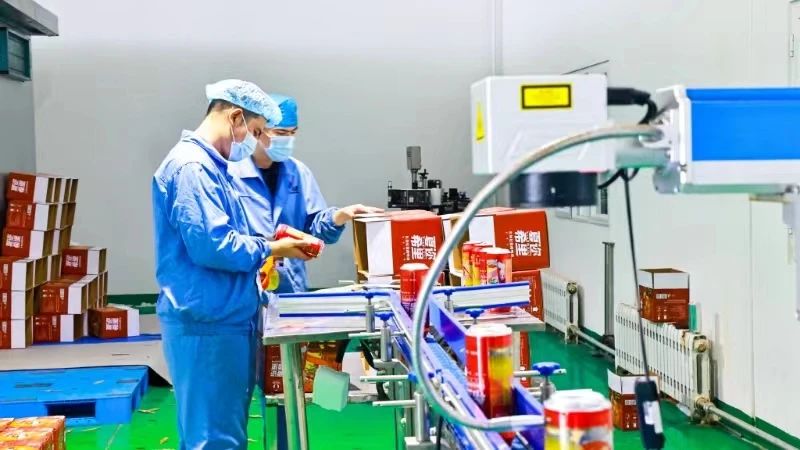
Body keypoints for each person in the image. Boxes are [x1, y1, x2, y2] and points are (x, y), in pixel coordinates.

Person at [151, 80, 314, 449]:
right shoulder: (192, 168)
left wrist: (269, 244)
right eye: (255, 132)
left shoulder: (213, 167)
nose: (254, 143)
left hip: (225, 319)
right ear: (236, 117)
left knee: (224, 433)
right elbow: (214, 246)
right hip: (207, 323)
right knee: (213, 439)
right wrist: (272, 248)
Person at [229, 94, 382, 293]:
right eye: (280, 132)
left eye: (292, 133)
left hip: (291, 287)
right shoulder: (231, 174)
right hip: (247, 286)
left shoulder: (297, 172)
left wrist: (340, 216)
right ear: (257, 130)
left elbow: (313, 229)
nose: (287, 139)